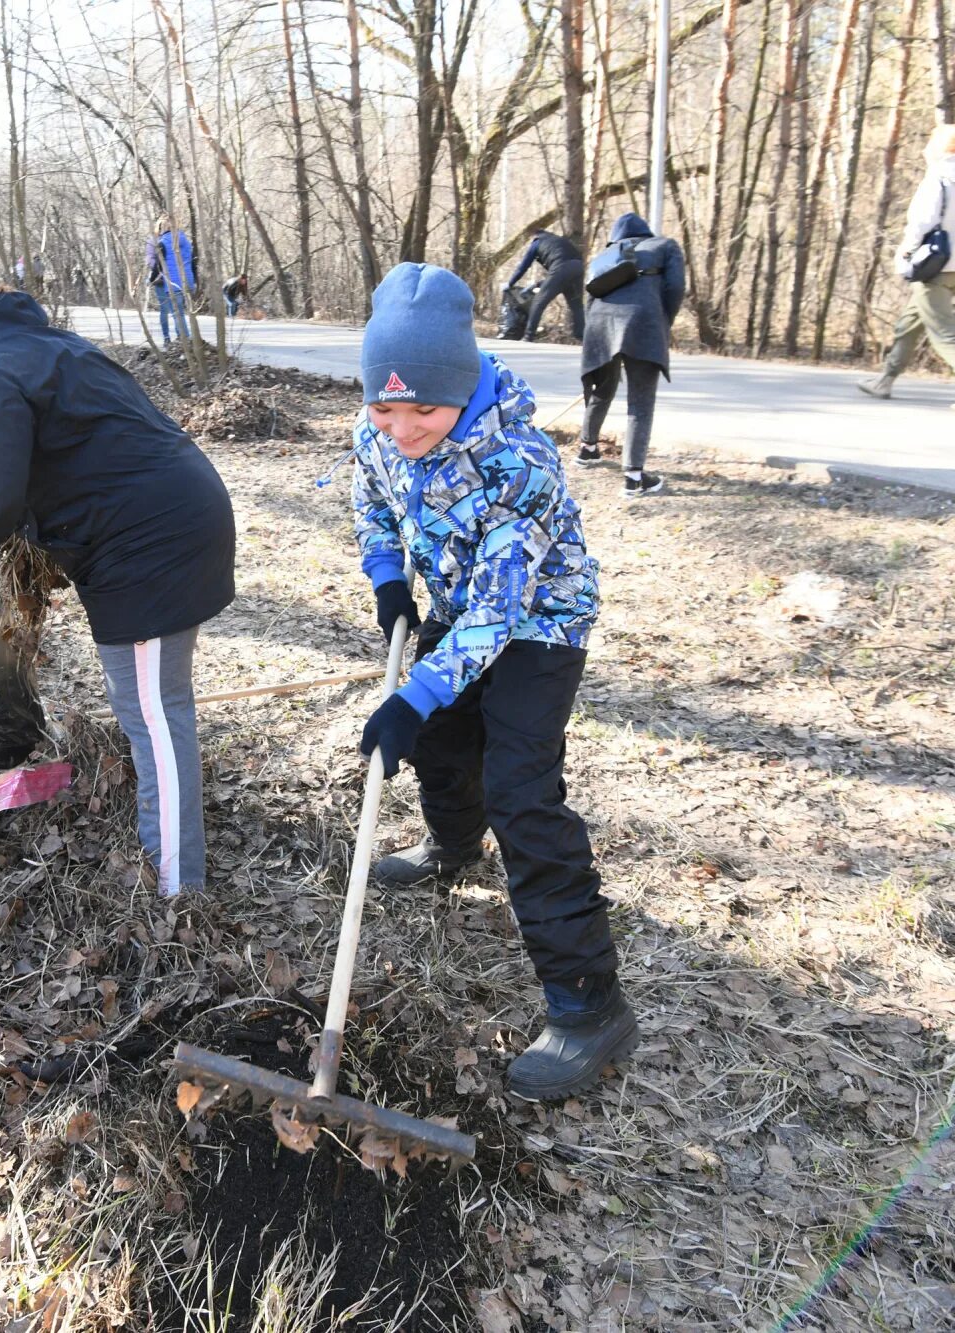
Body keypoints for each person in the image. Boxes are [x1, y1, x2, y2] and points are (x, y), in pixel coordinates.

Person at [0, 264, 236, 898]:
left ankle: (177, 890)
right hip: (160, 522)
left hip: (151, 543)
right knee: (151, 706)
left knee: (154, 715)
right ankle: (175, 867)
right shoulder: (25, 342)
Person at [350, 262, 632, 1103]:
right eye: (383, 406)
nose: (400, 428)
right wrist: (387, 577)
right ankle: (450, 843)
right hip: (456, 603)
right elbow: (372, 500)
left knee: (522, 791)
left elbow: (495, 617)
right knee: (441, 740)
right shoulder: (380, 433)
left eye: (421, 410)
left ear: (462, 387)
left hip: (539, 626)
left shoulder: (519, 464)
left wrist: (411, 695)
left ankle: (589, 1006)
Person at [860, 124, 955, 413]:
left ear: (940, 149)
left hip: (934, 265)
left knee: (943, 329)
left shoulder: (938, 179)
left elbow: (921, 222)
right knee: (909, 324)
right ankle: (885, 379)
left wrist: (905, 252)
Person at [578, 212, 685, 499]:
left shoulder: (605, 254)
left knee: (602, 387)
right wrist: (663, 320)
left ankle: (587, 449)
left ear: (616, 235)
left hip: (599, 324)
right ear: (645, 232)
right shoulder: (665, 246)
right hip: (643, 323)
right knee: (640, 402)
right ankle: (634, 477)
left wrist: (593, 334)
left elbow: (589, 296)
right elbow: (675, 288)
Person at [504, 228, 585, 341]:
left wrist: (510, 283)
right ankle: (582, 336)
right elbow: (558, 273)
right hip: (578, 267)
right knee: (576, 305)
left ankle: (528, 336)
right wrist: (541, 283)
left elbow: (523, 267)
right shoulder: (556, 240)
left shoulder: (537, 242)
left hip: (562, 268)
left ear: (534, 236)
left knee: (539, 301)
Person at [146, 216, 197, 344]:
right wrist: (195, 280)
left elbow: (158, 265)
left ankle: (184, 339)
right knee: (184, 312)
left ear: (162, 228)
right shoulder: (185, 240)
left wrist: (151, 279)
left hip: (172, 283)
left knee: (177, 313)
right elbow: (193, 263)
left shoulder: (162, 243)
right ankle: (185, 339)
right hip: (187, 281)